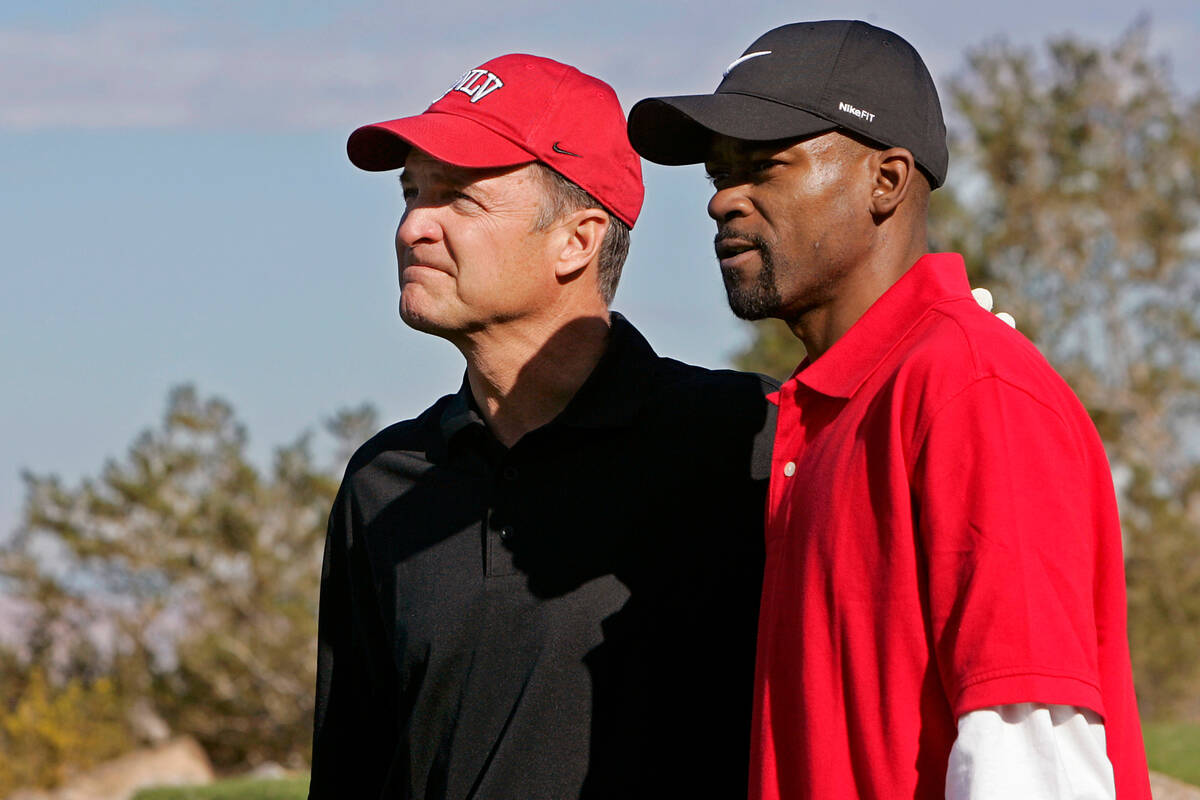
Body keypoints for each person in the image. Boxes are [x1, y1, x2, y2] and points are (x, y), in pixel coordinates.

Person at [628, 20, 1151, 800]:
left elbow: (1032, 763)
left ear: (888, 179)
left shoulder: (971, 389)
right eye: (716, 177)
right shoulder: (823, 413)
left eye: (765, 166)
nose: (724, 202)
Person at [308, 53, 775, 799]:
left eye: (457, 197)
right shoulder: (383, 483)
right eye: (411, 194)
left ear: (578, 239)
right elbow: (351, 770)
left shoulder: (748, 439)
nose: (413, 228)